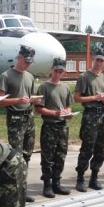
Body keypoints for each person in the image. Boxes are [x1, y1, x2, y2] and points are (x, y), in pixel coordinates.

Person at [0, 45, 38, 203]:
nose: (27, 64)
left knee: (27, 155)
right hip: (15, 119)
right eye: (25, 61)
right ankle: (13, 188)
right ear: (18, 58)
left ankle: (22, 187)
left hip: (29, 117)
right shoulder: (6, 76)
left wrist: (33, 100)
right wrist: (17, 100)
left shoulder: (30, 76)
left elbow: (29, 96)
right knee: (16, 156)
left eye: (30, 62)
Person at [73, 46, 104, 192]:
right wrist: (95, 97)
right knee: (87, 147)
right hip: (90, 114)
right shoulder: (84, 77)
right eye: (97, 60)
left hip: (102, 114)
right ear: (93, 59)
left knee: (99, 148)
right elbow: (77, 98)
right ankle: (80, 178)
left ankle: (94, 177)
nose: (99, 63)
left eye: (102, 61)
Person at [35, 58, 74, 198]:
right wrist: (54, 113)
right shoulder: (44, 87)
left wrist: (68, 113)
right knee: (48, 157)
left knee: (60, 156)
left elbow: (69, 105)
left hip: (62, 126)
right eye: (56, 70)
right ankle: (47, 184)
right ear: (51, 69)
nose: (58, 73)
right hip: (50, 126)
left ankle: (56, 183)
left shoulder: (65, 88)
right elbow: (39, 108)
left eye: (61, 71)